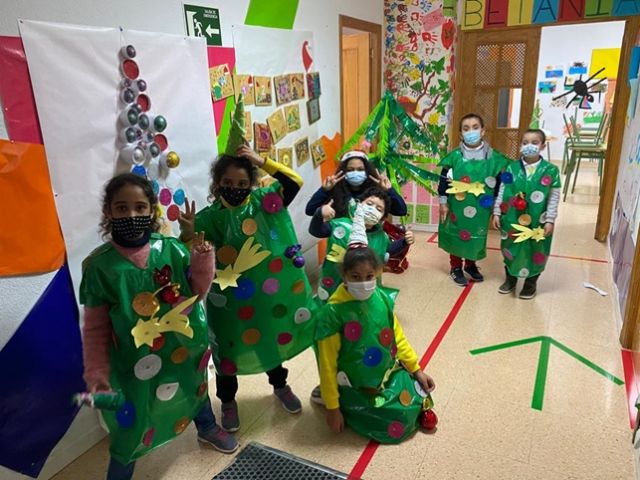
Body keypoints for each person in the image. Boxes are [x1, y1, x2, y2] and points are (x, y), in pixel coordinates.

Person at [80, 173, 237, 480]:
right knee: (133, 416)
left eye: (140, 207)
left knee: (193, 385)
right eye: (122, 208)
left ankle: (206, 427)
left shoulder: (171, 249)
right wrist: (97, 369)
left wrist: (201, 257)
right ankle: (122, 467)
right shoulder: (99, 266)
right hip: (133, 358)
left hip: (182, 345)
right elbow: (95, 325)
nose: (132, 215)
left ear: (152, 210)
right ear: (108, 212)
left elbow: (196, 293)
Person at [179, 143, 316, 433]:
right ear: (217, 183)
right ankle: (228, 402)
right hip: (227, 302)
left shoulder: (265, 202)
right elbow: (190, 258)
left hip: (266, 296)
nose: (235, 188)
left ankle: (280, 385)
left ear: (251, 184)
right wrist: (188, 233)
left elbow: (294, 182)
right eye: (228, 182)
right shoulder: (207, 218)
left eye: (242, 183)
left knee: (269, 339)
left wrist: (260, 160)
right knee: (226, 350)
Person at [315, 205, 435, 443]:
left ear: (378, 273)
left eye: (369, 276)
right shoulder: (333, 313)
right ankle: (337, 400)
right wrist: (332, 407)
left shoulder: (380, 297)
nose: (363, 282)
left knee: (415, 398)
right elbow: (327, 364)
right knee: (393, 421)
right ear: (343, 275)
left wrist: (416, 369)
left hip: (385, 372)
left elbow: (397, 336)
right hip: (355, 383)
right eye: (355, 277)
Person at [438, 113, 511, 286]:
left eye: (475, 127)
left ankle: (470, 264)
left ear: (483, 131)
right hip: (456, 206)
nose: (471, 132)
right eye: (466, 129)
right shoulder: (454, 157)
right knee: (457, 234)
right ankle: (456, 267)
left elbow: (500, 185)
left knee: (475, 234)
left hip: (481, 208)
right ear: (461, 134)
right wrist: (443, 202)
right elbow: (443, 181)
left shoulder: (494, 158)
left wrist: (497, 209)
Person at [308, 186, 415, 301]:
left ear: (382, 217)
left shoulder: (381, 236)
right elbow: (315, 231)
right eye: (369, 204)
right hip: (334, 284)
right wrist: (319, 214)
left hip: (365, 288)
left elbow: (388, 249)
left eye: (379, 209)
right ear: (359, 204)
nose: (372, 209)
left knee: (362, 308)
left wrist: (404, 241)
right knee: (333, 306)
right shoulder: (340, 225)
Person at [492, 129, 561, 299]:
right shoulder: (511, 167)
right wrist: (497, 212)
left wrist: (550, 220)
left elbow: (553, 197)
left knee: (537, 249)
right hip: (512, 217)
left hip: (538, 220)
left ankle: (531, 283)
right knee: (510, 246)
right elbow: (502, 191)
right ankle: (511, 279)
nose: (529, 146)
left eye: (534, 142)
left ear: (543, 146)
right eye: (525, 142)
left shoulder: (551, 171)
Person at [305, 150, 408, 219]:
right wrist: (324, 190)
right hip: (341, 239)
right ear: (343, 172)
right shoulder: (335, 189)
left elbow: (401, 211)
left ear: (367, 171)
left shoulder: (376, 190)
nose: (355, 173)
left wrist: (389, 190)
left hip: (370, 240)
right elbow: (310, 210)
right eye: (350, 170)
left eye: (360, 169)